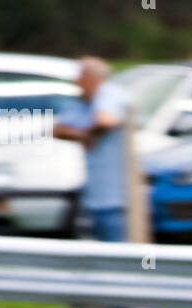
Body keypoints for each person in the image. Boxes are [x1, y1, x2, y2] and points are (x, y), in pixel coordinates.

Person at [54, 57, 130, 242]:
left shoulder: (109, 94)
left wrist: (88, 134)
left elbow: (106, 120)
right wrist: (85, 136)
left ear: (90, 77)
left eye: (79, 75)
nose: (76, 81)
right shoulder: (83, 101)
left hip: (117, 200)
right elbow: (57, 130)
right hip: (94, 197)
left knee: (120, 258)